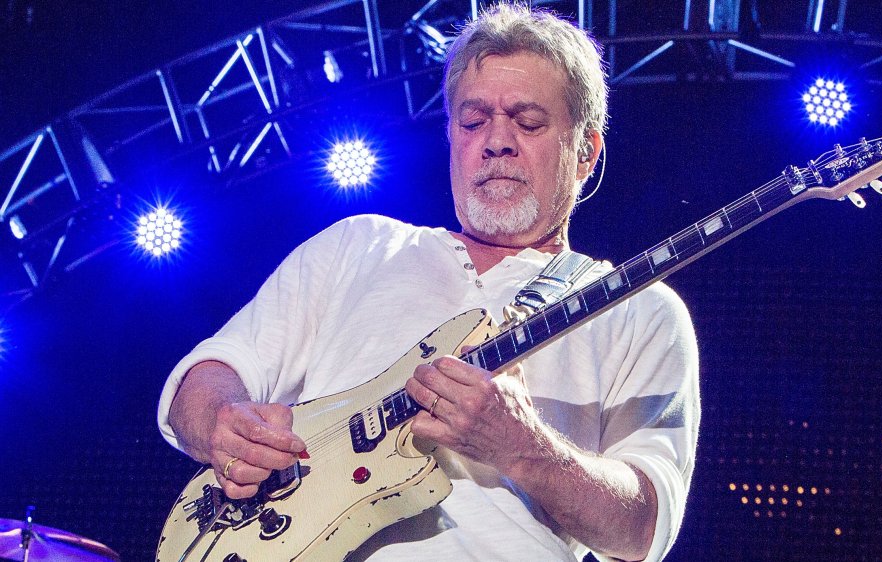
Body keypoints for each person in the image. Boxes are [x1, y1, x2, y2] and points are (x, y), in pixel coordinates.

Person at [157, 4, 699, 561]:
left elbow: (644, 529)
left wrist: (523, 447)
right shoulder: (360, 245)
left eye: (527, 121)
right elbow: (210, 373)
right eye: (473, 120)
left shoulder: (640, 312)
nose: (495, 141)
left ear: (585, 152)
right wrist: (227, 424)